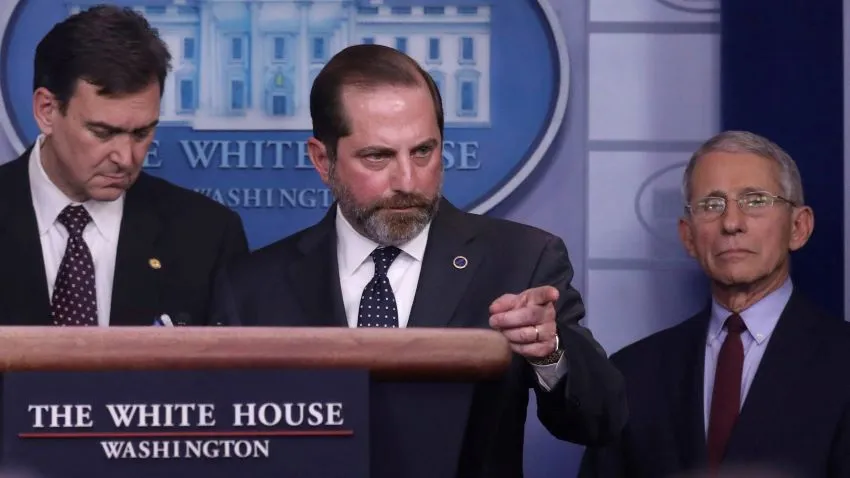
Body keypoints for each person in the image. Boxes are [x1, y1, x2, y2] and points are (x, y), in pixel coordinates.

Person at [210, 44, 626, 477]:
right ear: (322, 160)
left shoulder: (520, 262)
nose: (407, 181)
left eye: (423, 152)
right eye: (378, 156)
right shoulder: (252, 288)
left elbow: (600, 420)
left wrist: (550, 352)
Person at [579, 131, 850, 477]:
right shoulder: (632, 373)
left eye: (755, 201)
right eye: (711, 205)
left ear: (799, 227)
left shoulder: (843, 362)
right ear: (688, 236)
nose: (732, 223)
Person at [0, 5, 248, 326]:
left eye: (142, 133)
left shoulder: (208, 236)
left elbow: (231, 375)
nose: (126, 158)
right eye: (103, 132)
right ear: (47, 110)